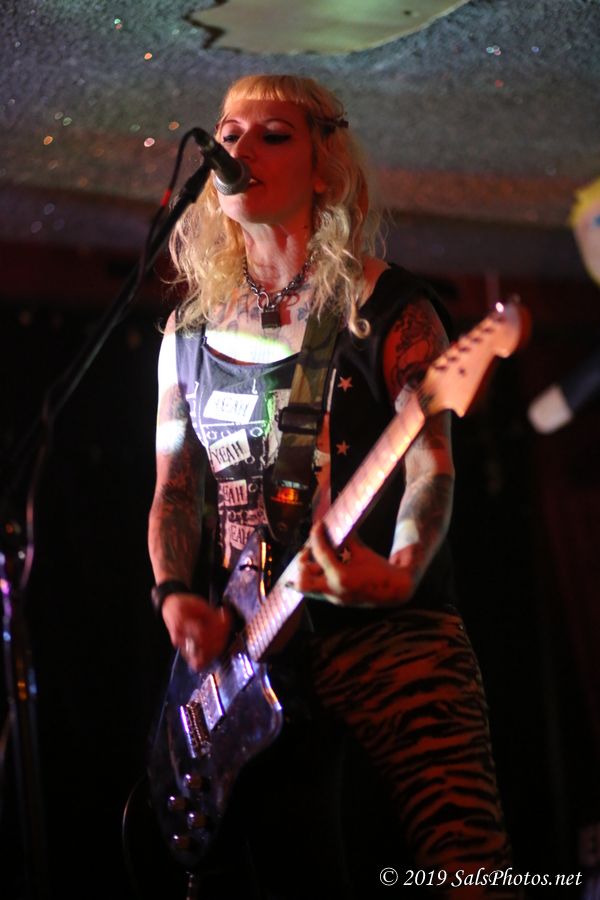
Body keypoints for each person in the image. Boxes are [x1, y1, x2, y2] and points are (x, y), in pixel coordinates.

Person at [147, 73, 516, 898]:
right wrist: (174, 597)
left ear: (324, 167)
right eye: (229, 134)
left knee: (469, 868)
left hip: (388, 629)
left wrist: (404, 568)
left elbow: (429, 465)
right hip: (252, 656)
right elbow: (173, 490)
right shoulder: (186, 335)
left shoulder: (389, 308)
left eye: (273, 134)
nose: (240, 149)